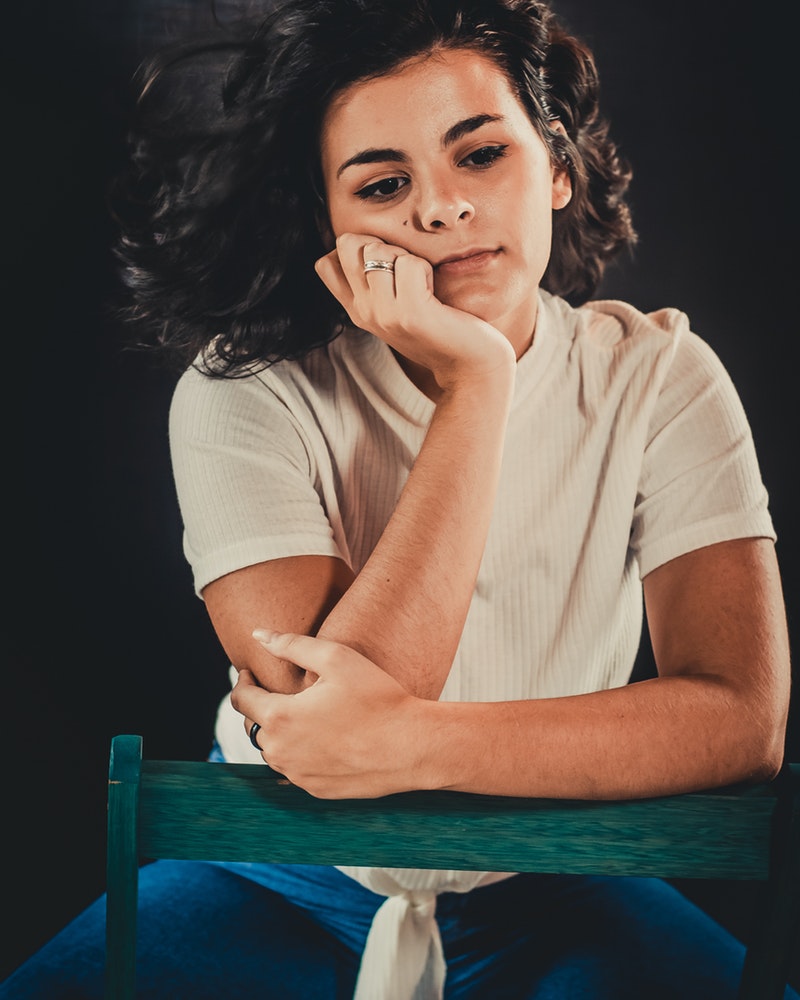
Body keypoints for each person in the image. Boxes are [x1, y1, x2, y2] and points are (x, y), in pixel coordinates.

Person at [2, 0, 795, 997]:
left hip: (559, 887)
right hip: (272, 874)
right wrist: (476, 387)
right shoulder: (242, 391)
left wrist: (417, 743)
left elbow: (738, 719)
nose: (437, 208)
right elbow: (317, 728)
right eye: (383, 182)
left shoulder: (658, 376)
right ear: (328, 223)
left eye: (479, 155)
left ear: (553, 167)